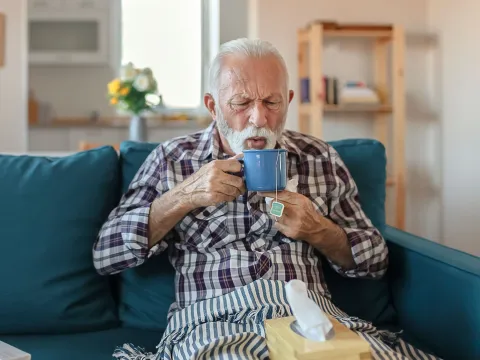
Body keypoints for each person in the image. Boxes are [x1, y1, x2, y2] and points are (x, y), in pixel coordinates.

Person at [94, 38, 438, 360]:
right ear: (213, 106)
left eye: (271, 103)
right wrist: (184, 196)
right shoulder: (173, 159)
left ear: (287, 100)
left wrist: (318, 229)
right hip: (212, 323)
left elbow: (376, 261)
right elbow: (106, 255)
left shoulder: (319, 157)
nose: (259, 119)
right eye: (241, 103)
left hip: (308, 318)